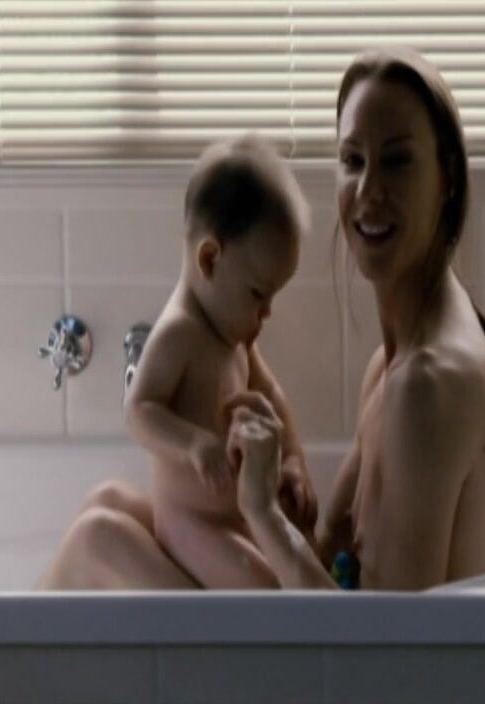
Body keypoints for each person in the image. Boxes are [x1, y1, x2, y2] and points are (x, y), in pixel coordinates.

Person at [39, 48, 485, 591]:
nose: (368, 190)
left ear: (448, 178)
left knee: (96, 542)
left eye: (397, 161)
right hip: (353, 641)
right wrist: (283, 492)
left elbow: (380, 640)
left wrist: (260, 510)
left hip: (378, 652)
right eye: (352, 161)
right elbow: (334, 560)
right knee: (108, 507)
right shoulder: (391, 369)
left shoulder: (425, 389)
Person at [38, 135, 317, 590]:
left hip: (227, 516)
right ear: (209, 259)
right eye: (257, 294)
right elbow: (139, 412)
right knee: (263, 593)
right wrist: (194, 444)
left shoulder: (233, 336)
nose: (266, 313)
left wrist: (293, 462)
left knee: (277, 579)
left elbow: (271, 396)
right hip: (191, 521)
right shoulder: (179, 334)